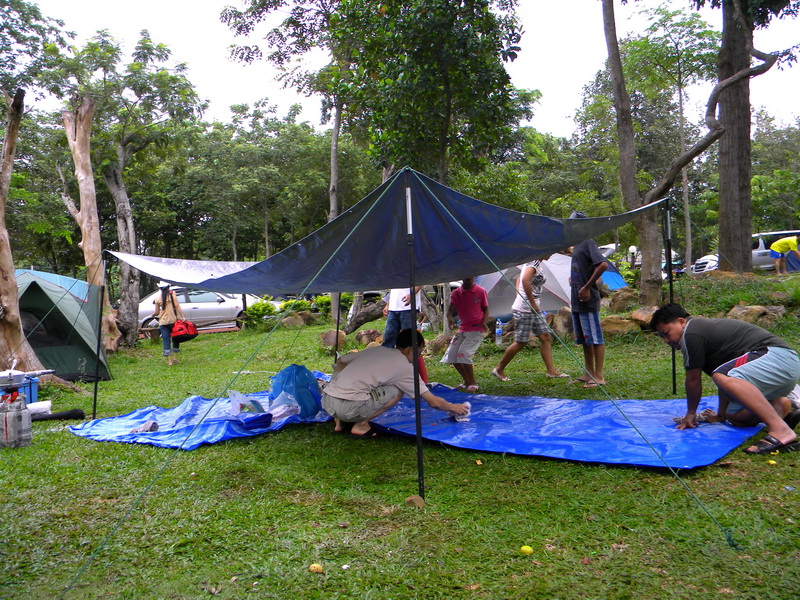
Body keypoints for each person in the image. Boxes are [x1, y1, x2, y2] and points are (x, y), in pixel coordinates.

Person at [651, 303, 800, 454]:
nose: (666, 340)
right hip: (780, 367)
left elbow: (693, 380)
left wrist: (691, 413)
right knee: (735, 417)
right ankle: (778, 405)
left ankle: (780, 430)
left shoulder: (691, 334)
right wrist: (721, 416)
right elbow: (723, 373)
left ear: (681, 321)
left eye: (666, 333)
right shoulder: (698, 333)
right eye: (662, 337)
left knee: (722, 375)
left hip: (776, 358)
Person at [321, 329, 470, 438]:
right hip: (349, 409)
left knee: (352, 382)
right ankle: (361, 425)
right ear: (411, 349)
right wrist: (454, 407)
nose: (418, 357)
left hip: (328, 403)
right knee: (397, 391)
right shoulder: (404, 366)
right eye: (418, 353)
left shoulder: (377, 350)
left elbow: (341, 361)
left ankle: (339, 423)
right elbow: (433, 402)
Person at [491, 258, 568, 382]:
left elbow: (519, 279)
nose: (551, 254)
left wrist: (521, 296)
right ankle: (499, 369)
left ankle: (551, 371)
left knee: (545, 336)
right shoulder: (534, 263)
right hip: (525, 309)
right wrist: (530, 303)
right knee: (521, 341)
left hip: (533, 308)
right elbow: (524, 280)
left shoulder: (536, 263)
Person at [567, 211, 608, 388]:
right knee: (585, 338)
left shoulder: (588, 241)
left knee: (595, 338)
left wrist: (586, 287)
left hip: (587, 299)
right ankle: (588, 372)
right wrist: (574, 279)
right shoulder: (576, 245)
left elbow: (602, 265)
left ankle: (599, 376)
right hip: (576, 300)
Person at [441, 276, 489, 392]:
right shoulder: (456, 293)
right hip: (463, 328)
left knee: (464, 353)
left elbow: (485, 309)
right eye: (466, 276)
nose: (468, 278)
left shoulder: (480, 291)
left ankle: (472, 382)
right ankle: (466, 381)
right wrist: (451, 320)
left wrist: (484, 322)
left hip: (476, 328)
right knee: (452, 355)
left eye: (471, 275)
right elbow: (450, 311)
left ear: (475, 276)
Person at [151, 281, 186, 366]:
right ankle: (175, 358)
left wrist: (153, 315)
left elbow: (156, 312)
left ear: (160, 289)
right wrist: (183, 316)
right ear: (168, 287)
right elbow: (177, 306)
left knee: (166, 340)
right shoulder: (172, 294)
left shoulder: (157, 299)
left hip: (163, 322)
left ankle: (169, 361)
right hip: (173, 321)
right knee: (176, 338)